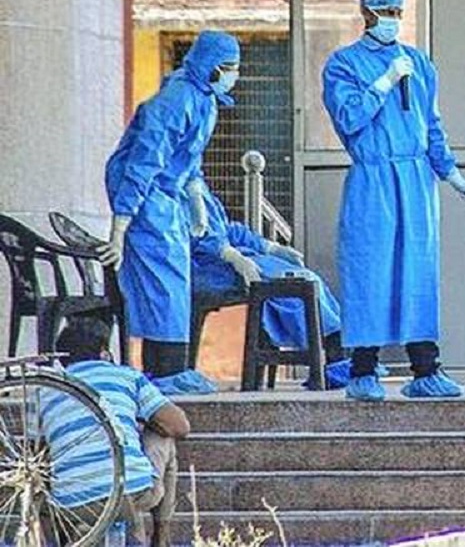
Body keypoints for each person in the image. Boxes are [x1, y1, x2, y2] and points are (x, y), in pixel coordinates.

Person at [322, 0, 465, 402]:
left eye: (398, 12)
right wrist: (383, 82)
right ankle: (363, 371)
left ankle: (426, 369)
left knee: (417, 271)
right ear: (367, 14)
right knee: (370, 270)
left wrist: (451, 173)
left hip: (416, 180)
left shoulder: (418, 63)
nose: (392, 20)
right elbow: (349, 118)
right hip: (373, 177)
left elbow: (431, 124)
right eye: (385, 12)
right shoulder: (343, 65)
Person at [100, 30, 241, 395]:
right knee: (160, 282)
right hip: (146, 196)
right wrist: (120, 229)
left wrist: (197, 204)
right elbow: (143, 164)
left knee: (175, 279)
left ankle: (175, 367)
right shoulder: (175, 100)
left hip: (168, 196)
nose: (233, 74)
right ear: (209, 65)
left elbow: (189, 162)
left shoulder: (206, 100)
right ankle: (162, 370)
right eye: (228, 67)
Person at [189, 179, 352, 388]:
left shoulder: (196, 185)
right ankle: (331, 353)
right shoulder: (180, 189)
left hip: (229, 263)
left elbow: (226, 229)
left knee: (307, 279)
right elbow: (200, 235)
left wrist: (269, 247)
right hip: (208, 269)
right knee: (287, 285)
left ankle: (335, 351)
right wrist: (231, 256)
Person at [45, 317, 190, 547]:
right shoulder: (126, 376)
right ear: (104, 352)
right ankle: (161, 537)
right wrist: (143, 421)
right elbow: (180, 426)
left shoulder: (45, 389)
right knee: (163, 435)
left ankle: (68, 537)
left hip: (70, 503)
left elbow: (38, 449)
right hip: (133, 491)